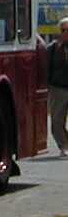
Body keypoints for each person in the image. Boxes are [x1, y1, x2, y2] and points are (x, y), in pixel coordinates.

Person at [47, 17, 68, 157]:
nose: (66, 32)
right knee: (56, 121)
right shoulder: (53, 48)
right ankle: (64, 145)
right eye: (63, 30)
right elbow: (46, 68)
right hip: (58, 89)